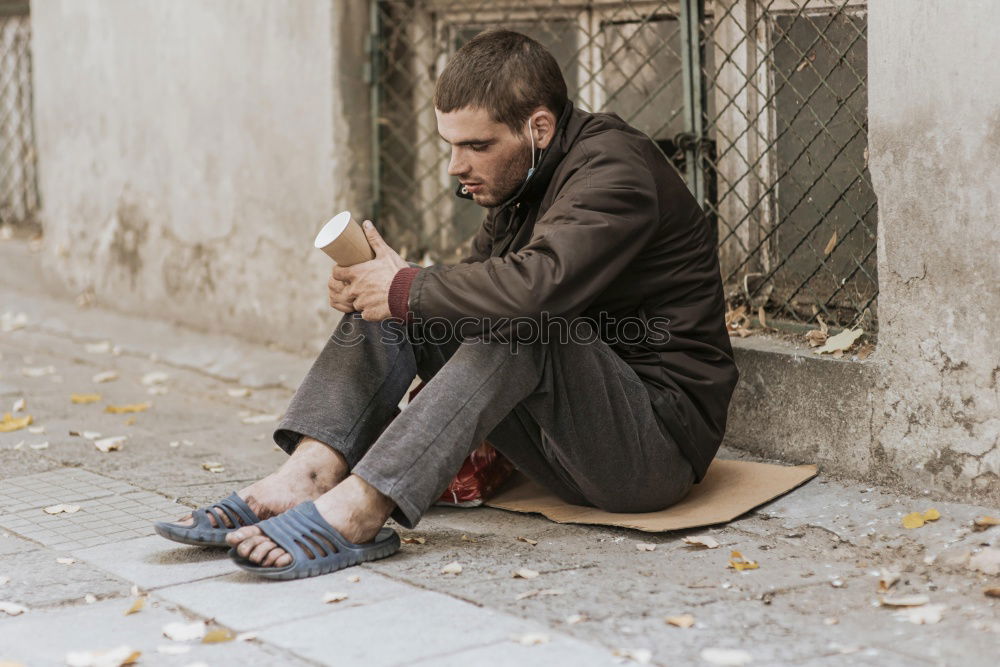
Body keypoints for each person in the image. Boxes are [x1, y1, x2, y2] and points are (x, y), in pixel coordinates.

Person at [153, 29, 739, 580]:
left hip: (649, 449)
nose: (457, 167)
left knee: (506, 318)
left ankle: (362, 507)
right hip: (562, 443)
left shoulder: (615, 169)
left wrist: (405, 286)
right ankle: (307, 474)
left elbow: (534, 290)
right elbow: (465, 293)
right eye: (450, 145)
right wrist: (372, 289)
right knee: (402, 303)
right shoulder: (521, 182)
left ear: (538, 127)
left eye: (476, 146)